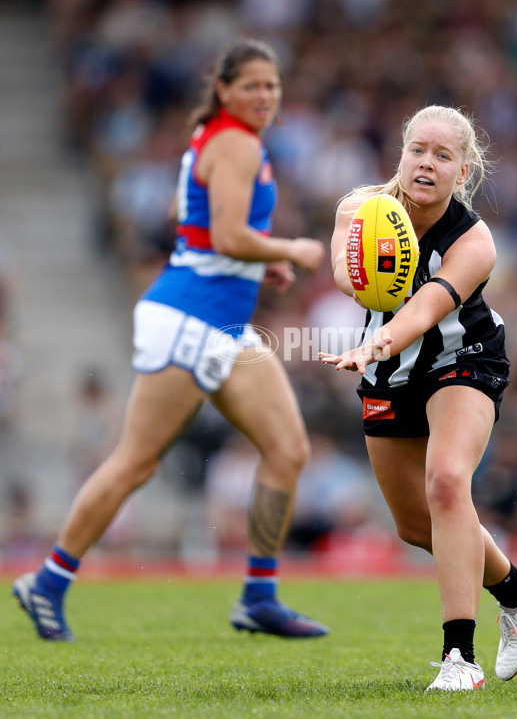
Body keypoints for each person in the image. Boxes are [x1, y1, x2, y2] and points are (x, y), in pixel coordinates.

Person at [13, 38, 328, 641]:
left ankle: (259, 594)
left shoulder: (231, 141)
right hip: (189, 320)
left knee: (287, 450)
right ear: (223, 90)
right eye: (252, 85)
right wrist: (290, 248)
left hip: (223, 324)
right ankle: (48, 582)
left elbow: (209, 238)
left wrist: (261, 266)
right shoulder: (234, 142)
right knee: (135, 462)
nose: (265, 95)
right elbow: (230, 236)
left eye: (273, 85)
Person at [320, 105, 517, 690]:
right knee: (415, 524)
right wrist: (367, 286)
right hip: (388, 371)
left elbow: (427, 308)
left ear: (464, 171)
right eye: (418, 149)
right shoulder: (359, 210)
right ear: (401, 153)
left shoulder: (475, 240)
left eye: (442, 155)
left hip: (464, 357)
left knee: (447, 482)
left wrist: (377, 343)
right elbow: (349, 279)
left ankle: (459, 658)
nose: (426, 162)